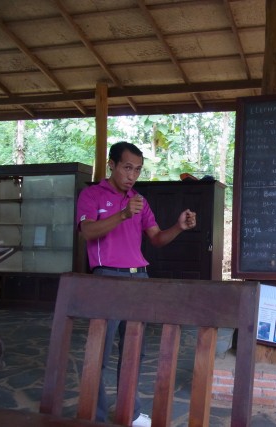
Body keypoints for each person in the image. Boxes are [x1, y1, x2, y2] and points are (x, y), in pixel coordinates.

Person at [76, 141, 197, 427]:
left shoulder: (140, 201)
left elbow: (155, 239)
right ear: (112, 165)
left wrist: (179, 227)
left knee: (133, 352)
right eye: (127, 168)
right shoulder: (92, 195)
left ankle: (129, 414)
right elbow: (87, 232)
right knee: (101, 352)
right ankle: (96, 417)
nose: (132, 175)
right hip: (108, 278)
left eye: (138, 170)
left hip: (139, 277)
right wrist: (122, 214)